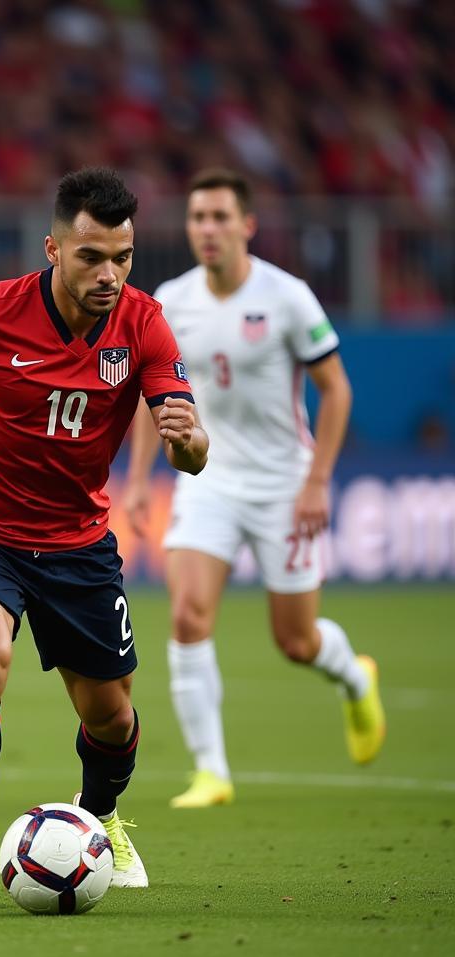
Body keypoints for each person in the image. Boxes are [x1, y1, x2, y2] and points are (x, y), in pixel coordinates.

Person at [0, 167, 209, 903]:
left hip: (80, 544)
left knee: (112, 717)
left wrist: (189, 440)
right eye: (91, 256)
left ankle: (102, 818)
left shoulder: (144, 324)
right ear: (53, 249)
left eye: (123, 257)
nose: (110, 274)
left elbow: (190, 446)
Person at [124, 168, 385, 810]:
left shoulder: (288, 296)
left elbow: (337, 390)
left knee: (295, 642)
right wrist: (135, 480)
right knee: (186, 615)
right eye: (196, 218)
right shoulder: (171, 299)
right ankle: (211, 772)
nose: (206, 230)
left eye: (218, 217)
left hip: (283, 485)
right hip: (207, 478)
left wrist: (317, 481)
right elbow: (149, 394)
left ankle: (355, 676)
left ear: (246, 225)